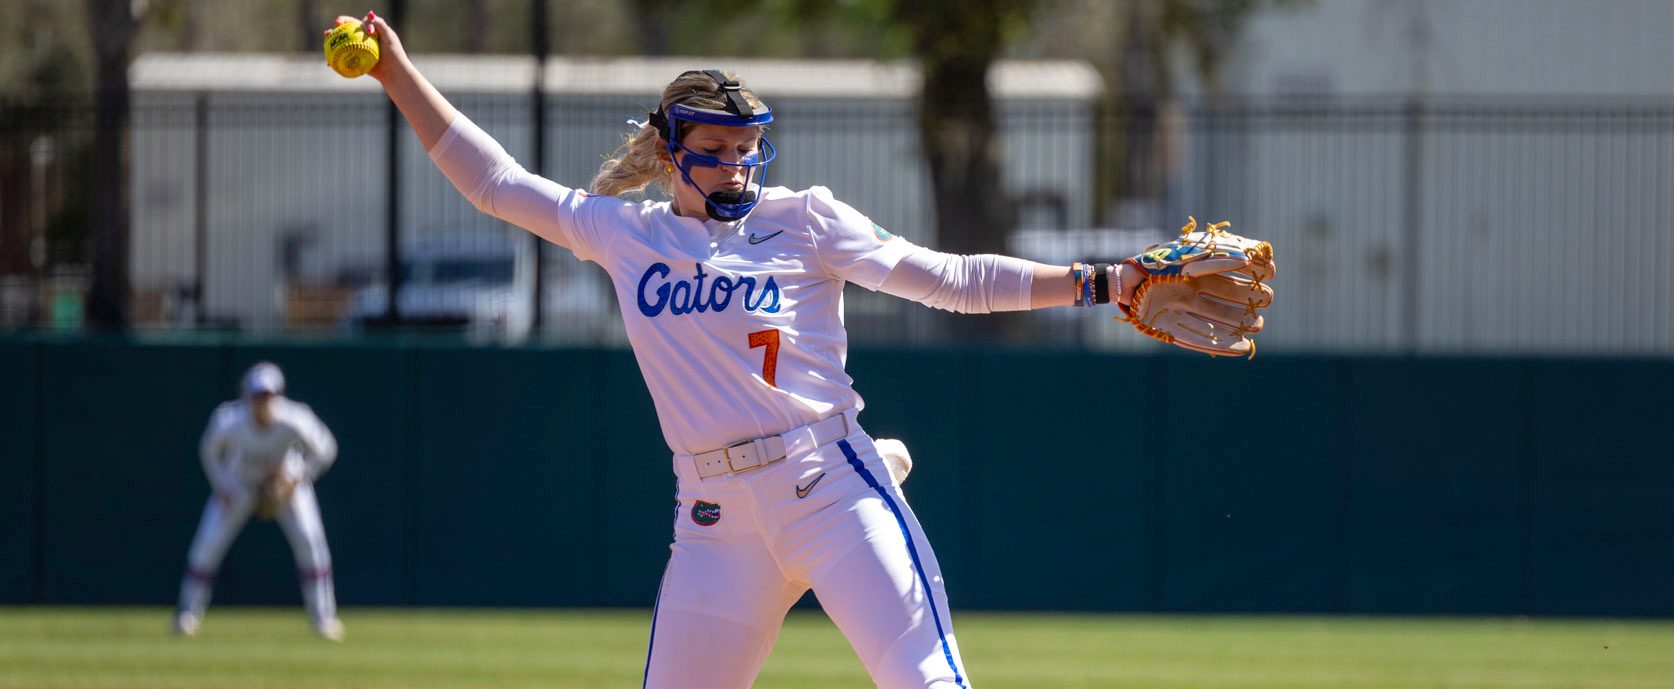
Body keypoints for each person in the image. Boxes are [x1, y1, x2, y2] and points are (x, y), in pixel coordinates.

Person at [348, 11, 1143, 687]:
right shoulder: (625, 232)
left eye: (746, 147)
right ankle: (883, 467)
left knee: (929, 678)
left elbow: (953, 279)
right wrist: (398, 75)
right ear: (670, 152)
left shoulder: (806, 219)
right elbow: (495, 183)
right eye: (717, 147)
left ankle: (878, 471)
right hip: (713, 520)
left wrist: (1105, 281)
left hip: (827, 489)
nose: (736, 164)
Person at [173, 362, 344, 641]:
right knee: (207, 544)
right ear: (247, 396)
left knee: (311, 542)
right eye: (258, 396)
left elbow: (326, 448)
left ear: (278, 396)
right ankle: (187, 614)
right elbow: (209, 450)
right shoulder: (229, 420)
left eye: (269, 395)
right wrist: (222, 485)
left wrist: (296, 477)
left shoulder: (295, 418)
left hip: (283, 483)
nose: (264, 402)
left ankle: (324, 618)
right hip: (239, 482)